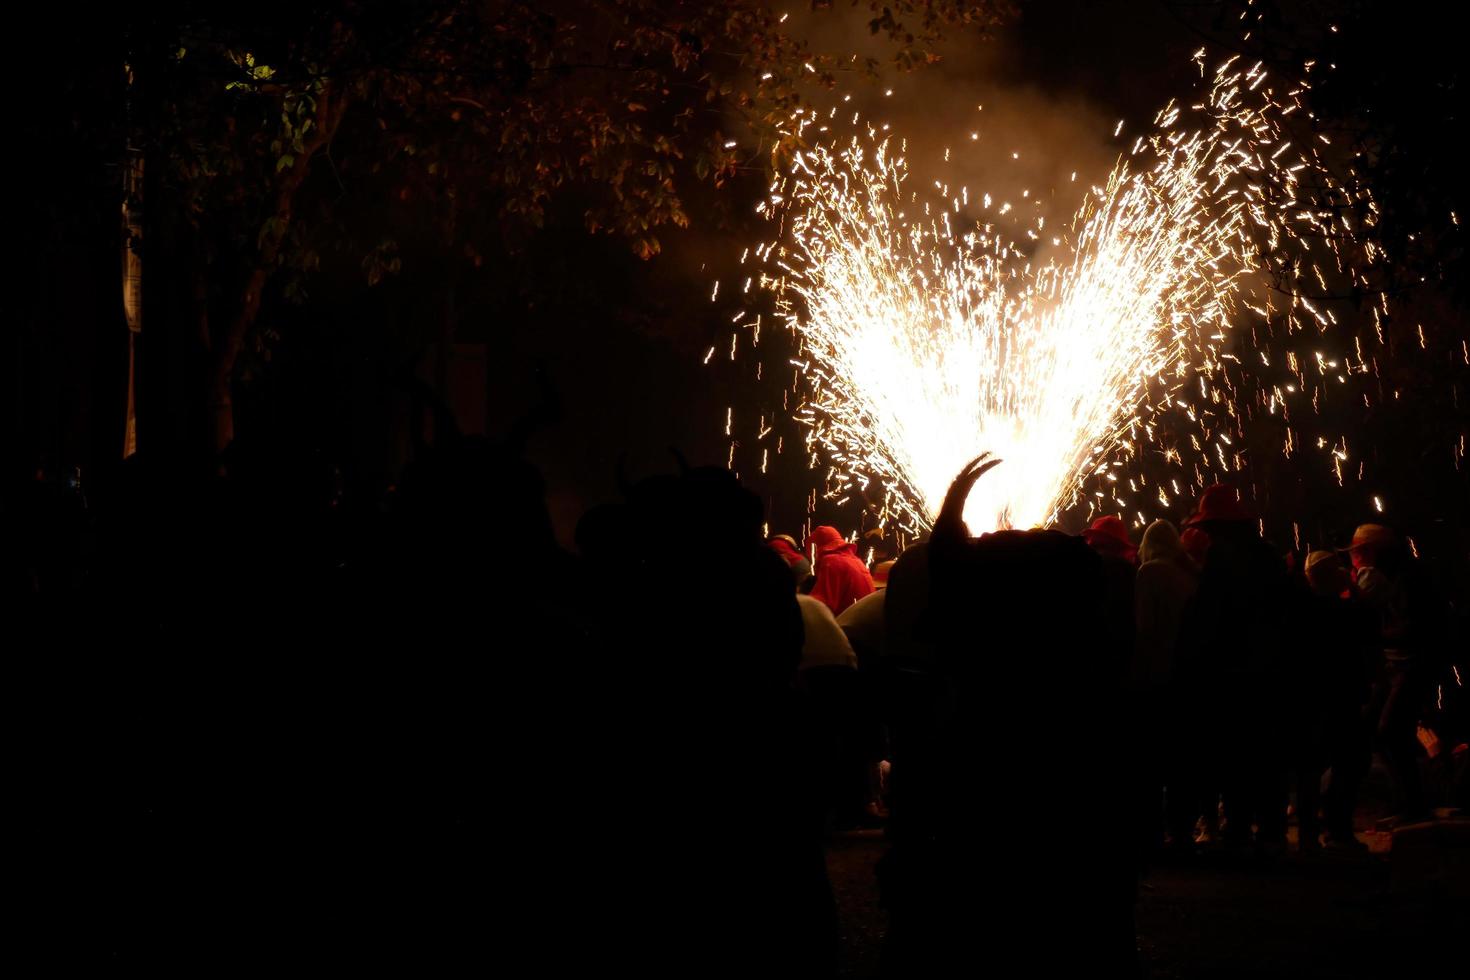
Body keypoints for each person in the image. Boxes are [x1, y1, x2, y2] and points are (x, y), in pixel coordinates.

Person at [805, 525, 874, 616]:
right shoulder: (855, 560)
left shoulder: (831, 562)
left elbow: (819, 606)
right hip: (867, 622)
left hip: (852, 627)